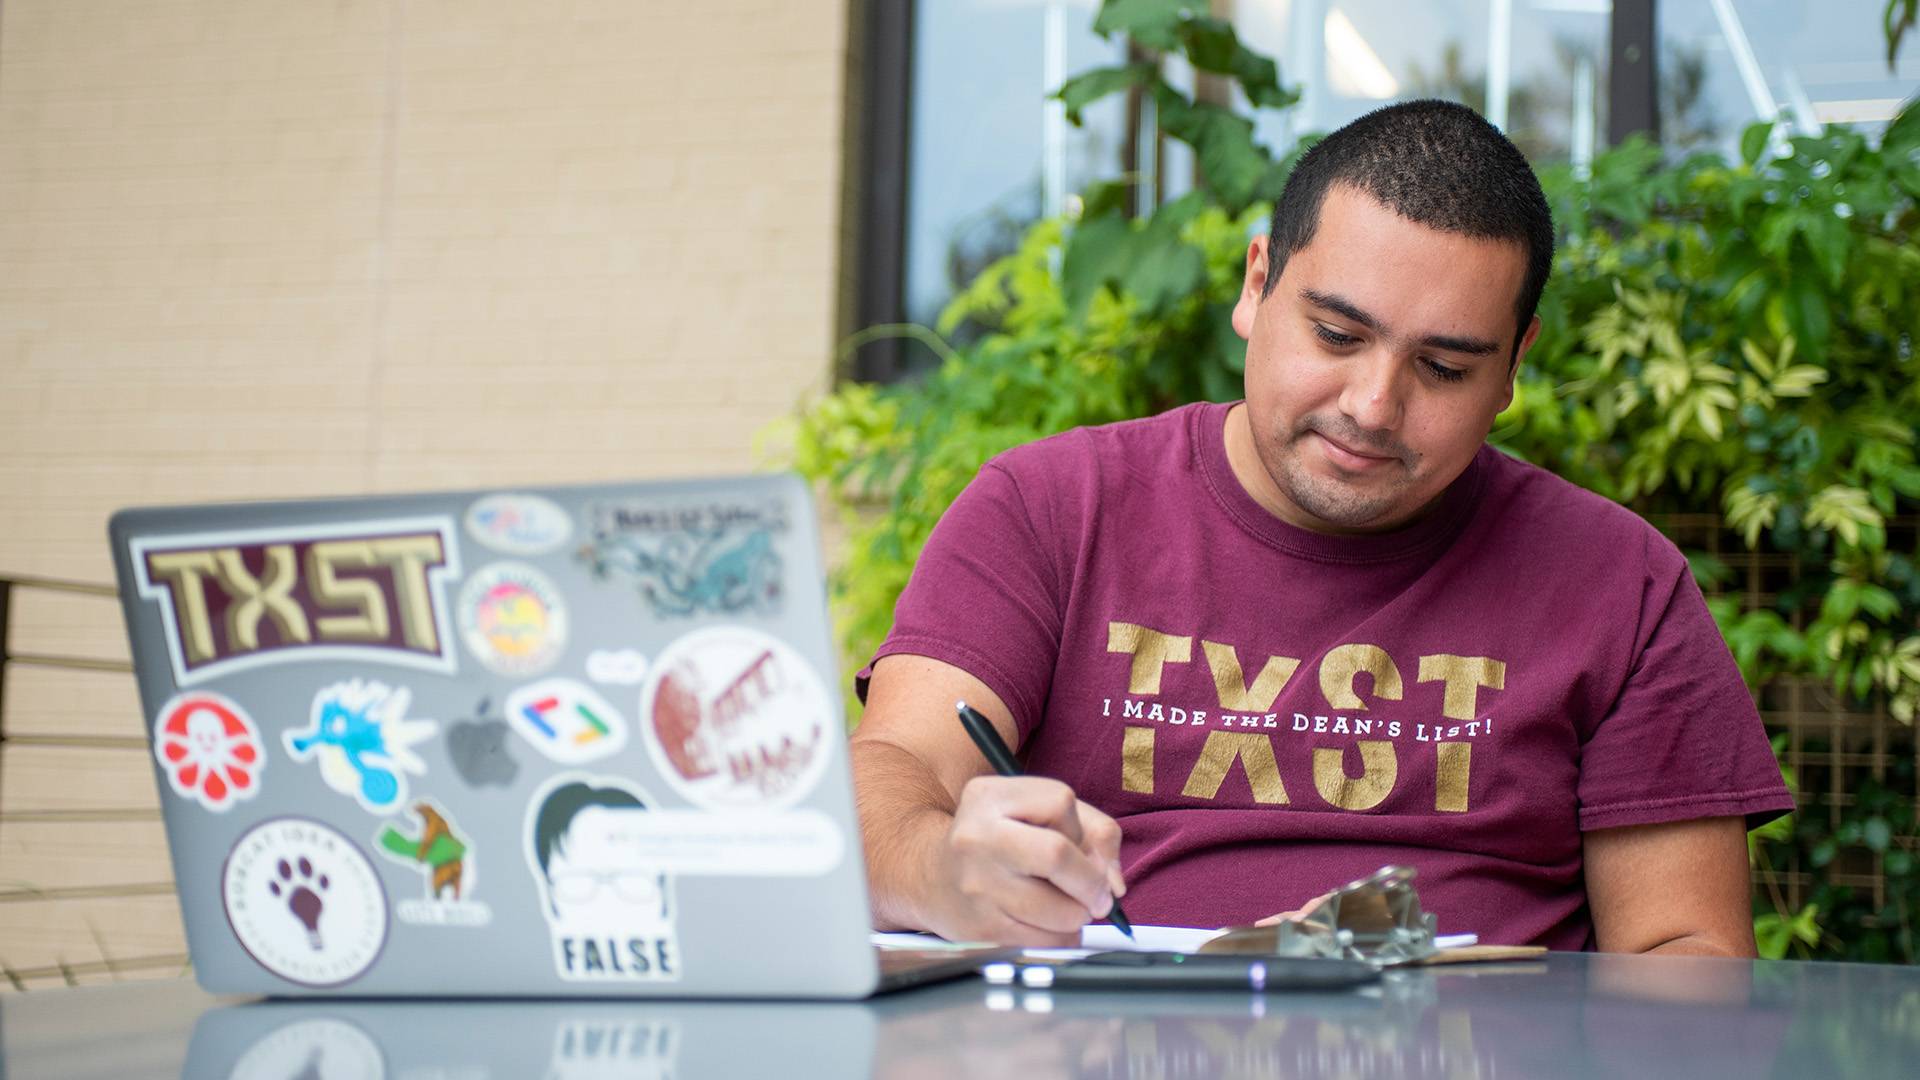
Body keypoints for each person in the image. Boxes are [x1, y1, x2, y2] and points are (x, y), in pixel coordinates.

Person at [849, 100, 1793, 954]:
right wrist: (941, 872)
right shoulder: (1054, 507)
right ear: (1258, 284)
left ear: (1514, 366)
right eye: (1338, 337)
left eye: (1446, 368)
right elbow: (884, 778)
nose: (1375, 406)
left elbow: (1690, 964)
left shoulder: (1619, 583)